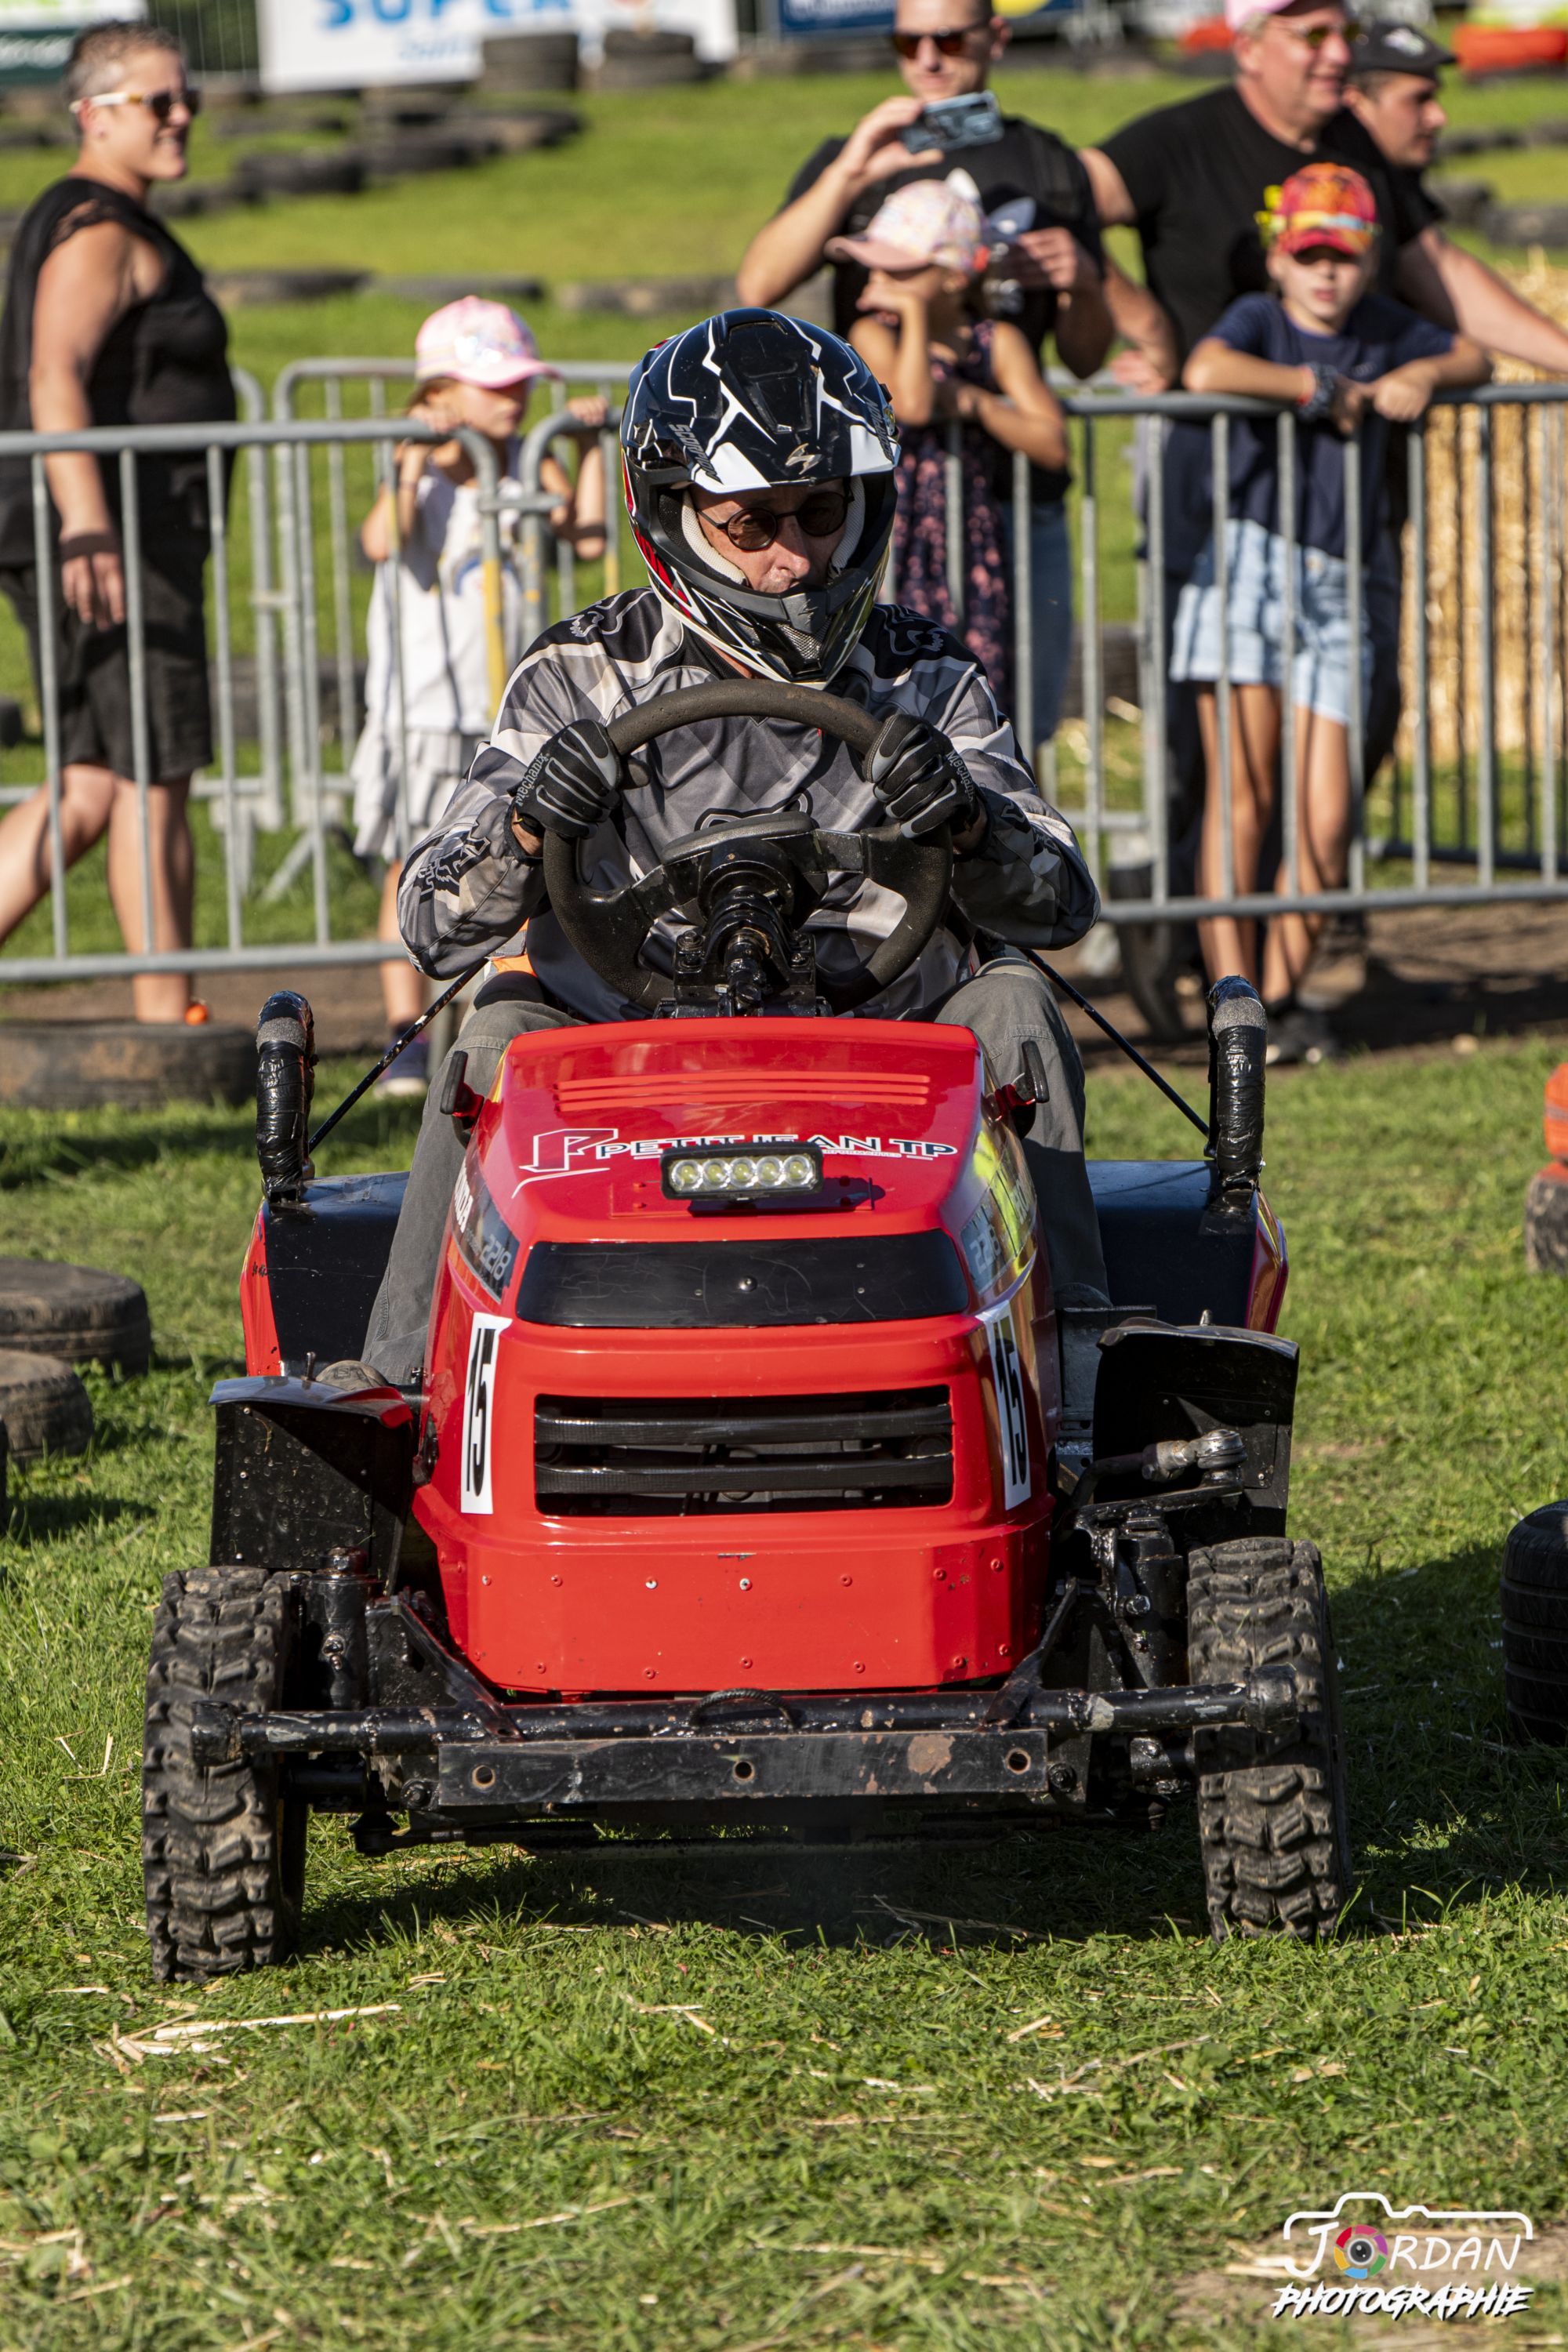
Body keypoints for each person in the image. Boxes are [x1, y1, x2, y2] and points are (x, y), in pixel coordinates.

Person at [361, 310, 1109, 1386]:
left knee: (1018, 1003)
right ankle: (404, 1392)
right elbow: (432, 924)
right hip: (627, 1053)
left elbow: (1062, 907)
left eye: (820, 514)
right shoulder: (577, 673)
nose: (792, 560)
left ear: (865, 506)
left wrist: (973, 824)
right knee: (494, 1030)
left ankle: (1072, 1388)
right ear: (673, 515)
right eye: (750, 525)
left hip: (881, 1043)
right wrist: (525, 824)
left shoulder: (928, 676)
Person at [735, 0, 1112, 755]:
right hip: (880, 512)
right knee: (878, 720)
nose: (929, 57)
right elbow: (758, 285)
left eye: (949, 38)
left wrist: (1085, 284)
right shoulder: (858, 156)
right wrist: (851, 170)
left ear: (995, 37)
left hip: (1012, 510)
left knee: (1005, 722)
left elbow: (1085, 359)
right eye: (908, 41)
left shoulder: (1049, 163)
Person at [1172, 163, 1488, 1060]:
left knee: (1323, 812)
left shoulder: (1383, 327)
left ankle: (1277, 1002)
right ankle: (1231, 1005)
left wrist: (1420, 371)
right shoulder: (1256, 319)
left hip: (1344, 578)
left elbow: (1472, 357)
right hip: (1247, 563)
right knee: (1241, 797)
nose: (1324, 273)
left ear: (1368, 261)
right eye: (1307, 254)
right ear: (1276, 257)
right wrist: (1309, 388)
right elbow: (1204, 367)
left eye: (1341, 257)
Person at [0, 22, 233, 1023]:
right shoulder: (97, 227)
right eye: (157, 101)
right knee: (152, 771)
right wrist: (89, 524)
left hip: (98, 529)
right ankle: (167, 1021)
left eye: (188, 99)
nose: (181, 116)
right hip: (115, 536)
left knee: (92, 779)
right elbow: (52, 373)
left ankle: (164, 1011)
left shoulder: (97, 216)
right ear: (93, 114)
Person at [351, 299, 606, 1098]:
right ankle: (405, 1032)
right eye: (495, 385)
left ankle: (488, 1024)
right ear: (438, 394)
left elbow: (589, 537)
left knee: (511, 859)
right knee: (413, 861)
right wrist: (411, 459)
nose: (515, 399)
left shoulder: (528, 459)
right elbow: (382, 540)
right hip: (425, 707)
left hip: (508, 710)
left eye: (522, 383)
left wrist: (584, 449)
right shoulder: (425, 468)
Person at [836, 173, 1066, 721]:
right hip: (893, 533)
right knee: (891, 683)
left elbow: (1052, 443)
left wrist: (977, 404)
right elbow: (913, 405)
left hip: (970, 539)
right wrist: (915, 315)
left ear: (954, 277)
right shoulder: (872, 335)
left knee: (975, 678)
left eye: (900, 270)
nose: (879, 280)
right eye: (875, 266)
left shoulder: (996, 342)